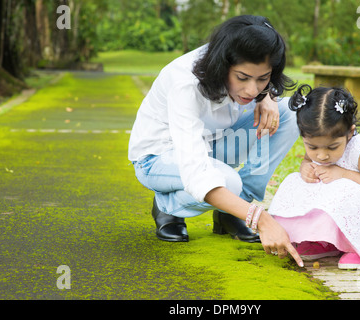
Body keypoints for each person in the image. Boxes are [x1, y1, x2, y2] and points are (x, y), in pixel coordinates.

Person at [128, 15, 304, 267]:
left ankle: (232, 211)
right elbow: (196, 171)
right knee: (227, 182)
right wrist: (262, 220)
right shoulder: (185, 84)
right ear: (223, 65)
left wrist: (269, 95)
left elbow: (261, 84)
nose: (252, 90)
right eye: (242, 78)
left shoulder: (252, 76)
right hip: (158, 157)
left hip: (212, 143)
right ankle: (167, 204)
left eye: (262, 78)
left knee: (291, 111)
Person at [268, 84, 360, 274]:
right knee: (295, 181)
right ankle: (323, 241)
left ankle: (358, 249)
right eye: (313, 147)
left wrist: (343, 174)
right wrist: (305, 167)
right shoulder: (318, 145)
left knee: (345, 189)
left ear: (349, 132)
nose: (322, 155)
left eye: (332, 147)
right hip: (343, 204)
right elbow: (310, 161)